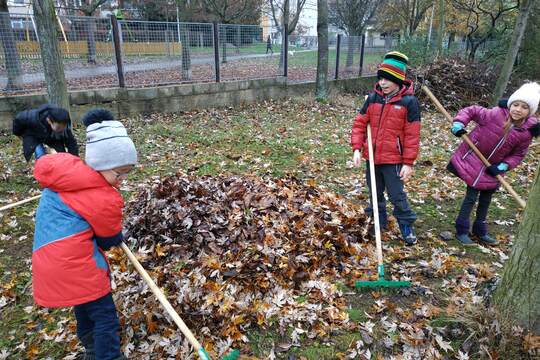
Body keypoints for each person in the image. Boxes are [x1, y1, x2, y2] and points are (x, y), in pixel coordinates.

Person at [31, 108, 137, 360]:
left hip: (51, 261)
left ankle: (91, 349)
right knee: (105, 317)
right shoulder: (102, 195)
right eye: (118, 173)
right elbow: (109, 237)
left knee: (84, 305)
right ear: (100, 164)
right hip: (77, 264)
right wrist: (114, 238)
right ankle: (107, 356)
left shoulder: (68, 176)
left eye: (127, 173)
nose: (122, 180)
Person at [448, 82, 540, 246]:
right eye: (516, 104)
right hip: (474, 160)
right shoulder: (495, 114)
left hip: (493, 169)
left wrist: (504, 166)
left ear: (530, 111)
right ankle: (462, 229)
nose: (518, 109)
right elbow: (472, 110)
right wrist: (459, 123)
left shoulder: (526, 133)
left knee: (486, 199)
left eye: (524, 107)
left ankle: (479, 230)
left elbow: (518, 154)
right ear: (510, 104)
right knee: (471, 197)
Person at [350, 51, 421, 246]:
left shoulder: (409, 103)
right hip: (372, 158)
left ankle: (406, 225)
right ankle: (378, 221)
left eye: (388, 79)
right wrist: (357, 148)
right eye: (381, 79)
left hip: (394, 160)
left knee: (397, 195)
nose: (383, 83)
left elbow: (412, 135)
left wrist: (408, 162)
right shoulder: (373, 98)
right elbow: (359, 124)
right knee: (374, 191)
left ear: (398, 80)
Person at [12, 104, 79, 161]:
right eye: (58, 127)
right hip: (34, 137)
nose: (61, 129)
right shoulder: (32, 117)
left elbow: (71, 143)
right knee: (41, 156)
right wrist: (19, 134)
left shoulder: (63, 125)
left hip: (52, 138)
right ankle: (42, 173)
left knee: (60, 157)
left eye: (63, 127)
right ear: (49, 121)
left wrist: (74, 160)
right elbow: (18, 120)